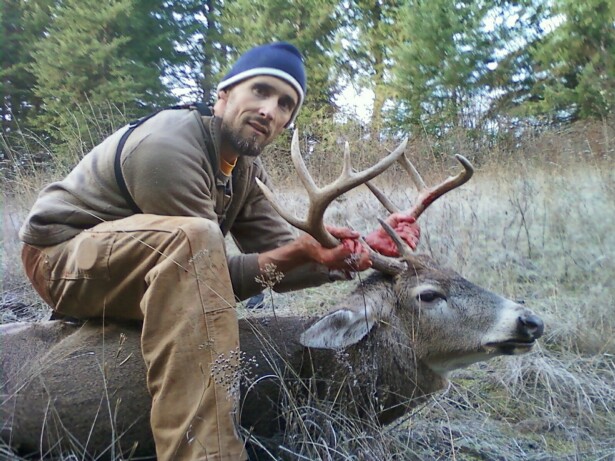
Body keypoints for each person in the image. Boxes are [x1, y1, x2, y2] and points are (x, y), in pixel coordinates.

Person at [19, 42, 420, 460]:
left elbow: (279, 258)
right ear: (223, 96)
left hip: (134, 266)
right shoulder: (167, 145)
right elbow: (203, 278)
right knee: (194, 240)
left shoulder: (244, 170)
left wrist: (346, 255)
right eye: (260, 91)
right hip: (60, 259)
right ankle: (207, 453)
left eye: (285, 105)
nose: (270, 110)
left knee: (196, 244)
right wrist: (300, 253)